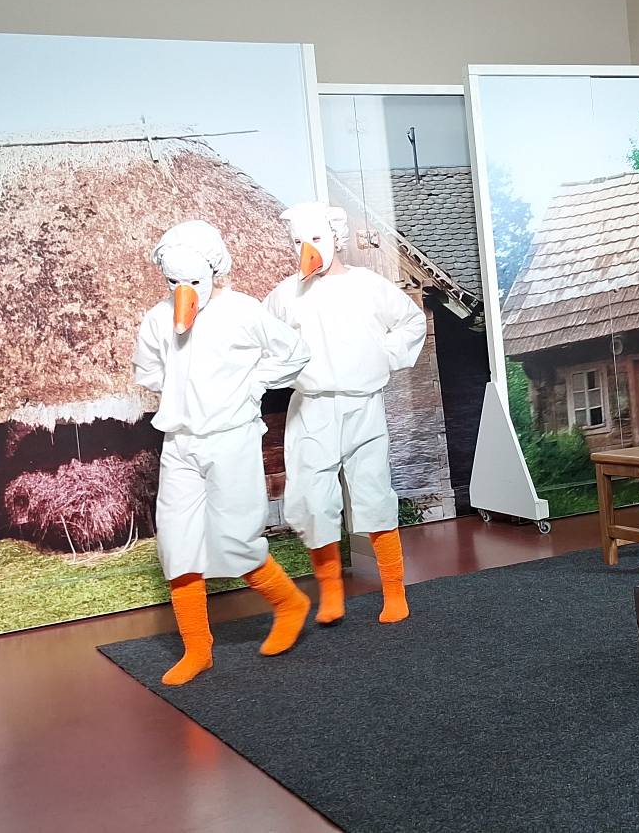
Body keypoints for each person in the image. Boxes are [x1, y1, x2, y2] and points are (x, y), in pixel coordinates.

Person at [133, 220, 313, 685]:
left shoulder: (241, 311)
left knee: (234, 538)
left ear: (214, 272)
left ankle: (289, 603)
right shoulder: (156, 320)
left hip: (232, 438)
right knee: (177, 543)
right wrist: (182, 390)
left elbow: (294, 352)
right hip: (179, 441)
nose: (183, 290)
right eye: (173, 281)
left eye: (193, 281)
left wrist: (252, 384)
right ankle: (198, 649)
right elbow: (148, 370)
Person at [265, 203, 427, 625]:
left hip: (362, 404)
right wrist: (284, 369)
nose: (307, 248)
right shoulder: (284, 296)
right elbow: (262, 341)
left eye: (316, 238)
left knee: (373, 493)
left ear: (335, 238)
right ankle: (331, 592)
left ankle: (394, 590)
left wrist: (382, 356)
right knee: (313, 500)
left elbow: (411, 322)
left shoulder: (368, 286)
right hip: (311, 407)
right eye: (299, 241)